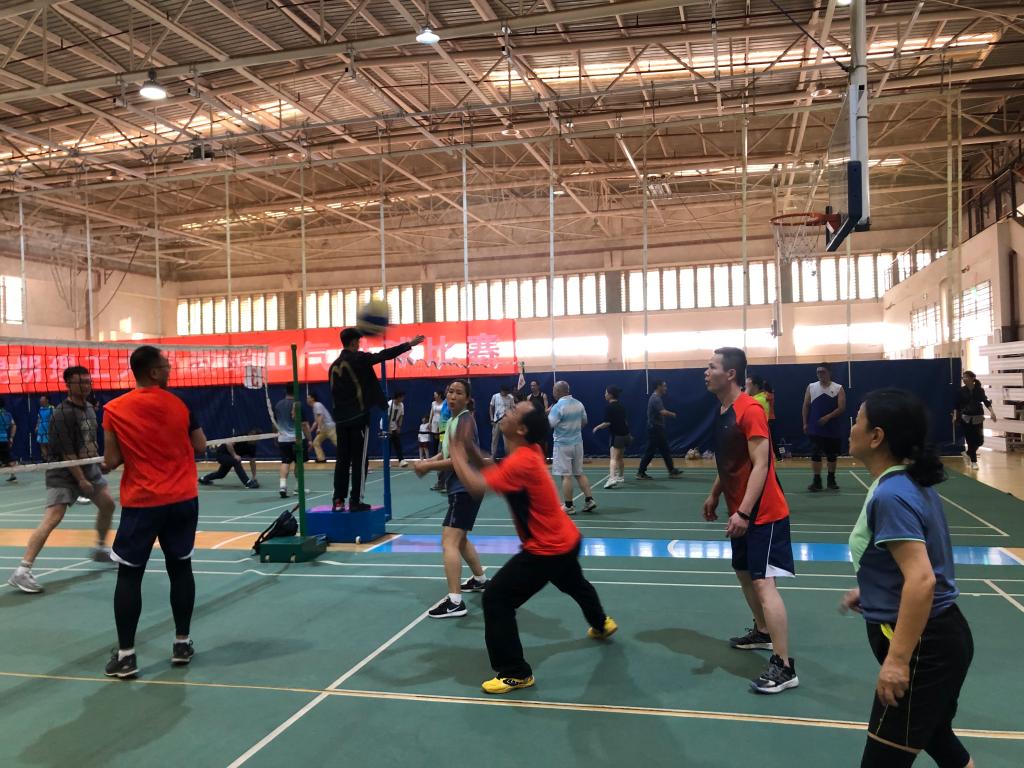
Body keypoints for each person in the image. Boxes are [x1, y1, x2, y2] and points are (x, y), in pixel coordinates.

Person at [842, 389, 975, 768]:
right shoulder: (904, 483)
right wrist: (874, 589)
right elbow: (913, 565)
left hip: (925, 649)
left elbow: (922, 580)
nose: (851, 427)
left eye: (858, 419)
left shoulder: (893, 495)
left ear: (876, 436)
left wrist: (898, 662)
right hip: (942, 638)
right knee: (940, 741)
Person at [448, 400, 617, 694]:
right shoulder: (530, 451)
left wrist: (456, 452)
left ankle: (515, 672)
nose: (507, 411)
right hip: (567, 539)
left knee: (497, 599)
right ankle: (601, 623)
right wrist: (470, 448)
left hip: (546, 549)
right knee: (574, 583)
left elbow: (475, 486)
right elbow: (493, 468)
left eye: (513, 411)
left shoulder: (521, 462)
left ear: (521, 429)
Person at [101, 345, 207, 678]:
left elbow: (111, 460)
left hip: (142, 502)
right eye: (166, 366)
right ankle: (182, 644)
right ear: (153, 372)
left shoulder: (113, 409)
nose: (170, 370)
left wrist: (109, 463)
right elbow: (200, 445)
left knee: (129, 576)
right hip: (182, 500)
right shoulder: (181, 404)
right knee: (181, 568)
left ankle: (126, 657)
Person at [703, 347, 798, 694]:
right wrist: (715, 493)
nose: (706, 372)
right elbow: (731, 460)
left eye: (711, 367)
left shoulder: (750, 409)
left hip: (764, 512)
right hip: (739, 509)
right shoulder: (723, 410)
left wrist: (743, 511)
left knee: (763, 583)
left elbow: (762, 463)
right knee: (743, 573)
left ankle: (784, 666)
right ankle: (762, 631)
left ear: (730, 374)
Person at [7, 366, 118, 594]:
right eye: (80, 382)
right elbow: (67, 452)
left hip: (87, 468)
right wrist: (82, 480)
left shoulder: (89, 408)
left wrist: (97, 464)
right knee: (53, 518)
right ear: (68, 384)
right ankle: (22, 570)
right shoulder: (62, 413)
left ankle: (100, 548)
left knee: (108, 504)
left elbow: (88, 442)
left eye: (88, 381)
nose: (86, 386)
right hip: (63, 472)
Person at [413, 380, 488, 618]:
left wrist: (427, 467)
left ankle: (455, 602)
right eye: (450, 392)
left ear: (467, 399)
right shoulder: (454, 421)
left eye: (458, 393)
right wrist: (428, 461)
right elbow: (446, 452)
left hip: (464, 489)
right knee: (460, 538)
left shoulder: (465, 421)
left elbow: (459, 460)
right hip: (461, 488)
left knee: (449, 541)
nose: (452, 396)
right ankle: (479, 579)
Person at [329, 328, 425, 511]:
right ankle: (355, 501)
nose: (359, 344)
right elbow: (384, 355)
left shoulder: (333, 366)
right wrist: (408, 345)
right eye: (358, 341)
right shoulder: (358, 359)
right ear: (353, 342)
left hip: (340, 421)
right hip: (358, 418)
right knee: (359, 460)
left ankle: (338, 501)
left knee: (342, 460)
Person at [549, 381, 596, 515]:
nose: (553, 392)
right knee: (579, 473)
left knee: (566, 476)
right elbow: (584, 421)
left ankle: (569, 506)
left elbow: (550, 424)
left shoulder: (557, 407)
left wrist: (547, 414)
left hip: (562, 445)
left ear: (558, 391)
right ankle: (589, 500)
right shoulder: (578, 404)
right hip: (577, 444)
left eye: (554, 390)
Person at [803, 362, 846, 492]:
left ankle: (831, 480)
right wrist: (805, 423)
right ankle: (817, 481)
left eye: (823, 372)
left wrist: (828, 417)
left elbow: (841, 408)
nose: (820, 374)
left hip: (832, 428)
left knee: (832, 455)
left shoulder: (838, 388)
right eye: (818, 372)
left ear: (829, 372)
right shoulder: (811, 387)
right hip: (815, 427)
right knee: (815, 453)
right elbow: (806, 406)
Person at [636, 380, 682, 479]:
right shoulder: (655, 399)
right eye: (664, 386)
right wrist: (672, 414)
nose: (666, 388)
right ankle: (640, 472)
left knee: (665, 450)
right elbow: (662, 412)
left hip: (657, 428)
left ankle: (672, 471)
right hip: (654, 429)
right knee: (650, 451)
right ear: (658, 386)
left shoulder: (656, 398)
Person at [954, 370, 996, 471]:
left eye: (966, 377)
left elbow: (986, 401)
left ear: (972, 378)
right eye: (963, 377)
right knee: (970, 440)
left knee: (979, 441)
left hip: (978, 417)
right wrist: (955, 416)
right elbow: (956, 405)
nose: (964, 379)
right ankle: (974, 462)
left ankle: (967, 453)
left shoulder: (979, 390)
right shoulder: (961, 391)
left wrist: (992, 412)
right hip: (966, 418)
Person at [274, 391, 312, 499]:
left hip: (283, 439)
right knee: (299, 463)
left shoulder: (278, 405)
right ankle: (298, 488)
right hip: (297, 439)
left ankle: (282, 487)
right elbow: (304, 424)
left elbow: (275, 423)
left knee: (285, 462)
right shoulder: (297, 404)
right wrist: (309, 439)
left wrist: (276, 436)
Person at [593, 386, 630, 489]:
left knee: (613, 458)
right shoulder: (621, 407)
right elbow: (625, 422)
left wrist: (597, 427)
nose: (604, 395)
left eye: (606, 393)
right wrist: (629, 434)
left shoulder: (609, 407)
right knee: (620, 458)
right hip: (625, 435)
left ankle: (612, 478)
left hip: (617, 436)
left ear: (610, 395)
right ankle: (621, 477)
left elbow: (607, 423)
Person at [526, 380, 552, 463]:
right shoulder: (529, 397)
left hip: (542, 421)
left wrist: (543, 415)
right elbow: (527, 410)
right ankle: (533, 459)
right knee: (533, 442)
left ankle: (544, 457)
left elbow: (546, 409)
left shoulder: (543, 395)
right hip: (532, 423)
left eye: (534, 385)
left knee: (543, 441)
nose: (532, 387)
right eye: (531, 385)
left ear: (538, 386)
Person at [307, 392, 337, 463]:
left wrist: (319, 428)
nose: (307, 399)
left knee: (338, 443)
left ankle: (348, 457)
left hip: (330, 428)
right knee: (316, 442)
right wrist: (310, 431)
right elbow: (316, 421)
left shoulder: (317, 405)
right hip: (324, 428)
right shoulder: (314, 407)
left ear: (313, 398)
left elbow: (320, 416)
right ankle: (321, 459)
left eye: (308, 398)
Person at [488, 385, 515, 458]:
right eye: (504, 391)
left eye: (507, 392)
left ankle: (508, 456)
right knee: (494, 439)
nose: (505, 393)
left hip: (506, 421)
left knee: (507, 441)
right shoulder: (495, 396)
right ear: (501, 391)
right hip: (496, 421)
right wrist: (491, 419)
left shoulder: (511, 397)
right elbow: (491, 408)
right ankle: (493, 455)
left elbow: (513, 409)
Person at [385, 391, 408, 467]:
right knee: (388, 445)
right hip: (385, 426)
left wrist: (399, 427)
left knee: (398, 444)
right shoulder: (389, 404)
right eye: (402, 397)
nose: (403, 398)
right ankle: (387, 462)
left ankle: (401, 460)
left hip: (394, 426)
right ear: (398, 397)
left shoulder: (401, 405)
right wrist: (388, 429)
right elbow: (387, 418)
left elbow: (401, 416)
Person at [0, 397, 17, 482]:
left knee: (7, 458)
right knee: (8, 457)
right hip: (5, 439)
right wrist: (11, 437)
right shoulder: (7, 414)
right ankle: (13, 474)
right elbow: (14, 425)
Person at [35, 395, 54, 461]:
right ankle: (45, 458)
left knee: (49, 444)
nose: (40, 401)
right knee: (41, 444)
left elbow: (53, 419)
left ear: (47, 400)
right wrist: (37, 426)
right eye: (40, 400)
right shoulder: (40, 409)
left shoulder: (51, 408)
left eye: (42, 400)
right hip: (41, 428)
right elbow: (39, 418)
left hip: (49, 428)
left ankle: (50, 458)